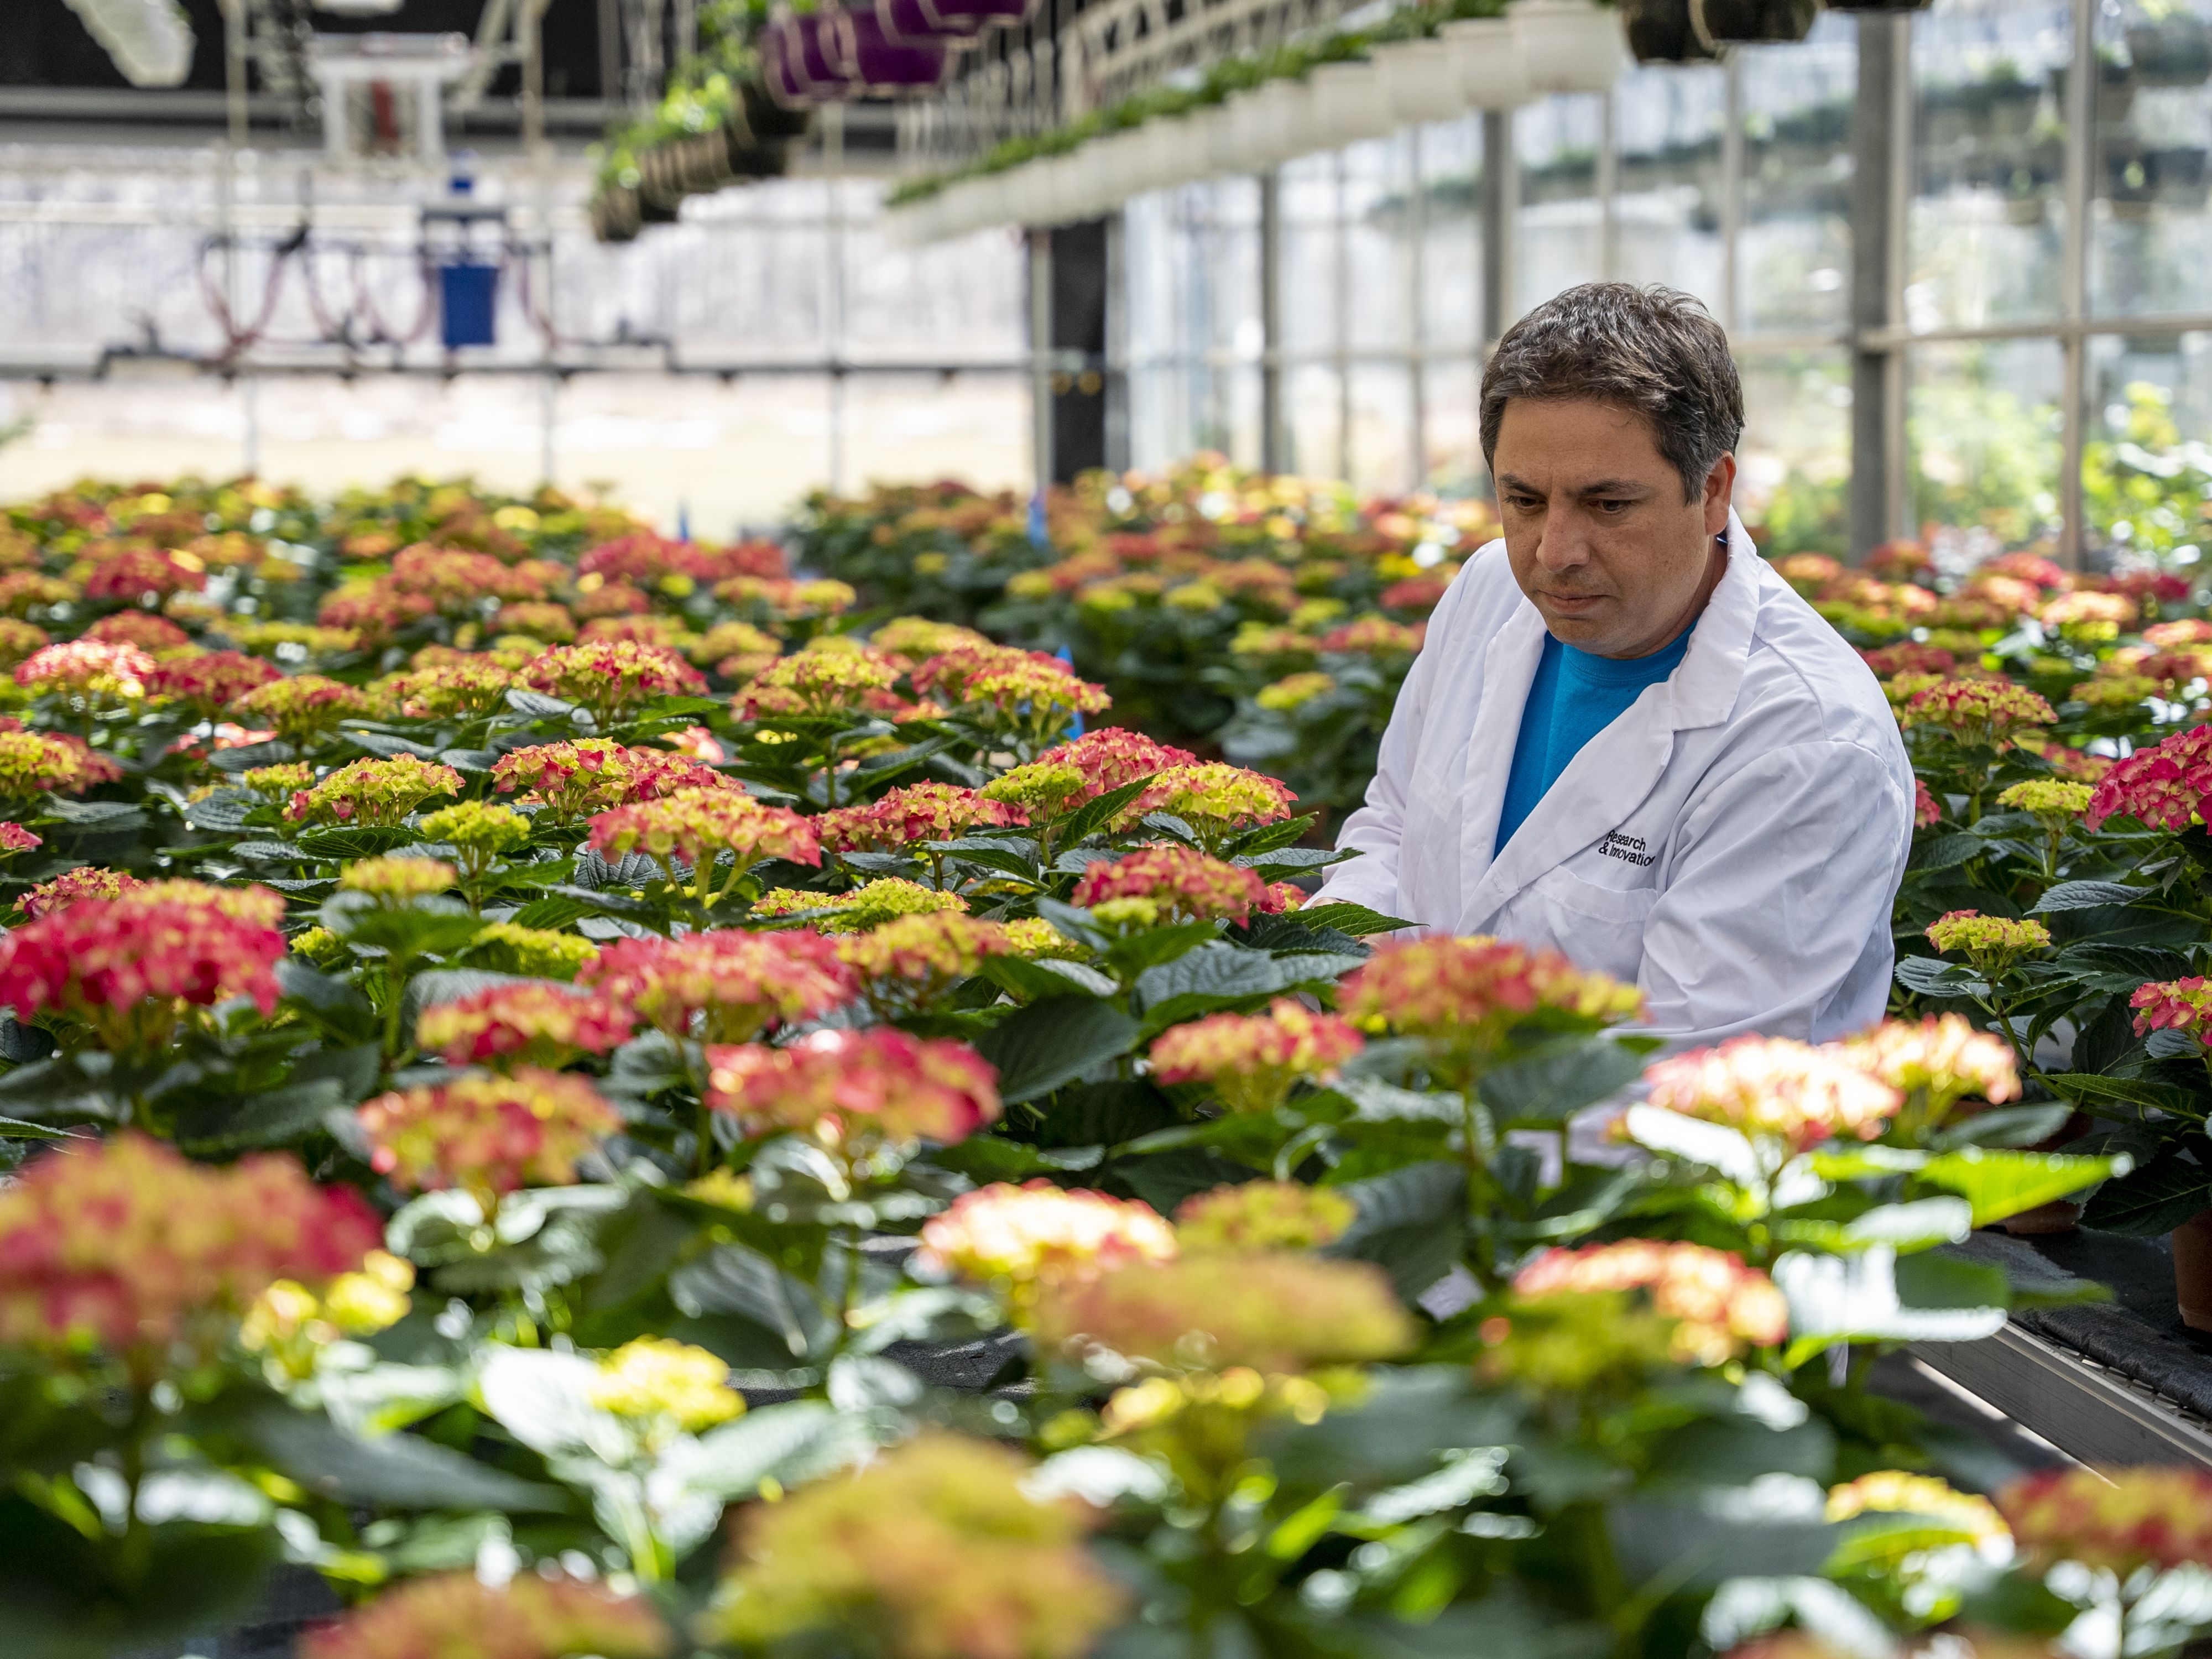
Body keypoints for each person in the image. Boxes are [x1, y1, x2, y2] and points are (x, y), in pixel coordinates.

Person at [1317, 282, 1913, 1048]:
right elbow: (1395, 820)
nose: (1553, 554)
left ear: (1713, 492)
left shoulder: (1805, 741)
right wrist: (1345, 964)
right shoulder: (1489, 591)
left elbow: (1683, 1073)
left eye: (1608, 506)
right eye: (1524, 500)